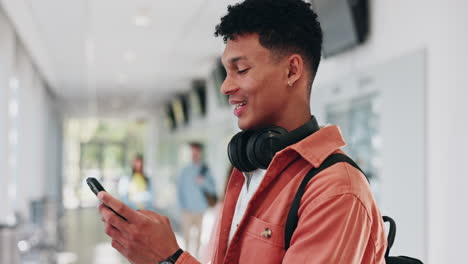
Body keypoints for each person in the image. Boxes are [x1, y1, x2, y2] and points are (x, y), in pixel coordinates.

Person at [97, 0, 387, 263]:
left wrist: (169, 258)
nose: (225, 87)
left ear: (292, 71)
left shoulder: (336, 191)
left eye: (242, 70)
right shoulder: (246, 172)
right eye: (226, 72)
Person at [176, 142, 216, 257]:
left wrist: (203, 182)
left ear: (200, 153)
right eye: (192, 151)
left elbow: (213, 189)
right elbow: (180, 190)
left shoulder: (205, 170)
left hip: (200, 209)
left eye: (196, 152)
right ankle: (186, 258)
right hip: (187, 210)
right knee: (187, 237)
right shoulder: (185, 170)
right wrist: (182, 207)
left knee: (198, 237)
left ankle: (196, 258)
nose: (194, 154)